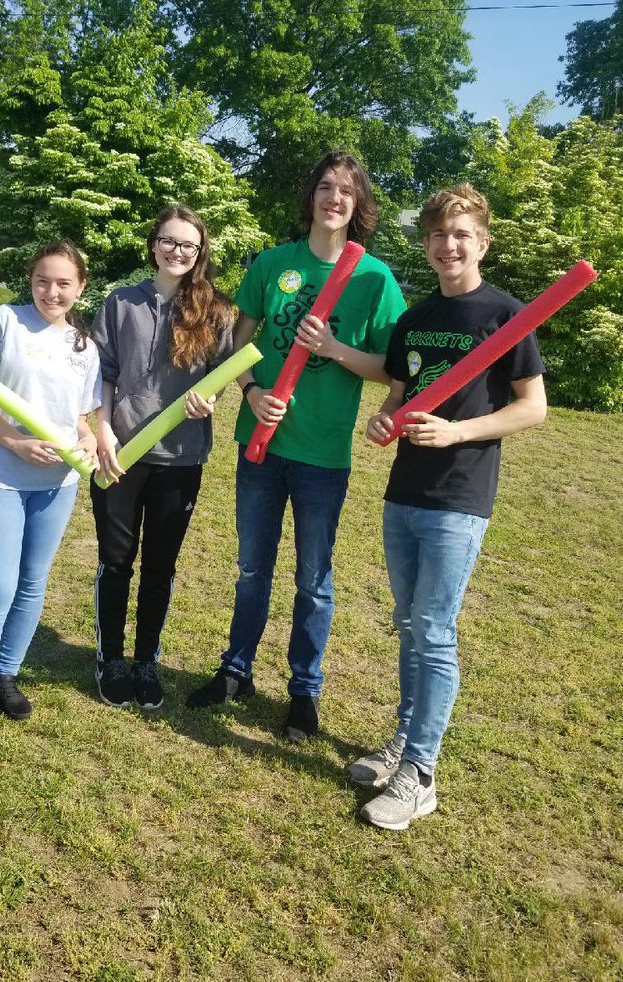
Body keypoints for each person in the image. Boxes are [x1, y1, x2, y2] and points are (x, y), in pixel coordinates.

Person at [187, 151, 406, 741]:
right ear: (311, 196)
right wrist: (251, 390)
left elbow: (392, 368)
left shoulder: (373, 278)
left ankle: (304, 692)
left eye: (347, 191)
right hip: (260, 445)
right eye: (326, 187)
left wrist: (334, 348)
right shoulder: (273, 264)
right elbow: (236, 344)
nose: (335, 198)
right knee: (251, 570)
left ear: (358, 205)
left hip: (322, 453)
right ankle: (236, 671)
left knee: (313, 580)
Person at [349, 183, 547, 830]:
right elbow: (398, 396)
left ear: (482, 243)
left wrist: (459, 432)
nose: (448, 245)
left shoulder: (506, 316)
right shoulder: (417, 317)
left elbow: (533, 407)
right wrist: (384, 421)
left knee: (433, 630)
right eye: (438, 234)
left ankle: (422, 774)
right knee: (409, 625)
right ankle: (405, 741)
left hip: (460, 496)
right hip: (404, 492)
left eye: (461, 234)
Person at [0, 241, 101, 756]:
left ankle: (4, 674)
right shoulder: (3, 323)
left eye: (63, 283)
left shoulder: (83, 345)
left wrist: (86, 440)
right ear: (30, 281)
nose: (51, 292)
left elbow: (79, 416)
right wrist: (14, 441)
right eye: (42, 281)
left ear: (81, 287)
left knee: (33, 584)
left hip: (56, 484)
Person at [91, 205, 235, 710]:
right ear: (154, 244)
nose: (178, 251)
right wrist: (103, 431)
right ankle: (111, 659)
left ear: (200, 252)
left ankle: (145, 660)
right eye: (169, 241)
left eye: (188, 245)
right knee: (116, 561)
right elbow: (103, 374)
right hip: (120, 454)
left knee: (160, 565)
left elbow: (223, 375)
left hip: (180, 456)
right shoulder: (120, 302)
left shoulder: (216, 311)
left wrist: (209, 399)